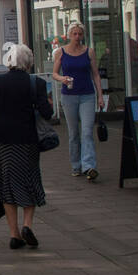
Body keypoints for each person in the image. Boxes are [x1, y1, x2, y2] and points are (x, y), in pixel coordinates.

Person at [0, 44, 52, 249]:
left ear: (8, 60)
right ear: (28, 62)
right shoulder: (35, 83)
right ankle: (27, 224)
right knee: (29, 181)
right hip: (27, 141)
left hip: (1, 142)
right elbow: (47, 113)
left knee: (6, 185)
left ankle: (14, 234)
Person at [52, 22, 104, 180]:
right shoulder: (61, 52)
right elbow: (54, 73)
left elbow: (95, 74)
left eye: (80, 34)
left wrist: (100, 96)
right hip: (69, 96)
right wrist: (63, 78)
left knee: (87, 132)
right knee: (74, 133)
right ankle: (76, 165)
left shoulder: (89, 52)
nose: (77, 37)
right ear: (69, 35)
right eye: (74, 34)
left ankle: (89, 166)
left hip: (87, 95)